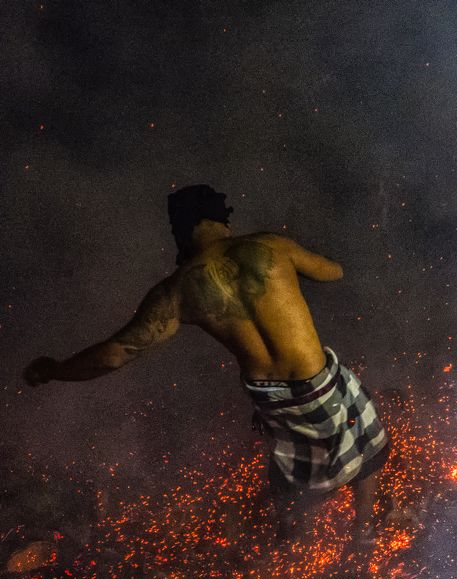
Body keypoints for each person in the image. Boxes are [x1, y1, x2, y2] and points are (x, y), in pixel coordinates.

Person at [23, 184, 390, 547]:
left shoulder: (177, 290)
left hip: (270, 398)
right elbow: (333, 272)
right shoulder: (272, 247)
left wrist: (55, 369)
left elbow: (115, 353)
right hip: (317, 383)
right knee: (365, 442)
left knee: (290, 478)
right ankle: (360, 533)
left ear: (183, 231)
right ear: (219, 221)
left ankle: (293, 545)